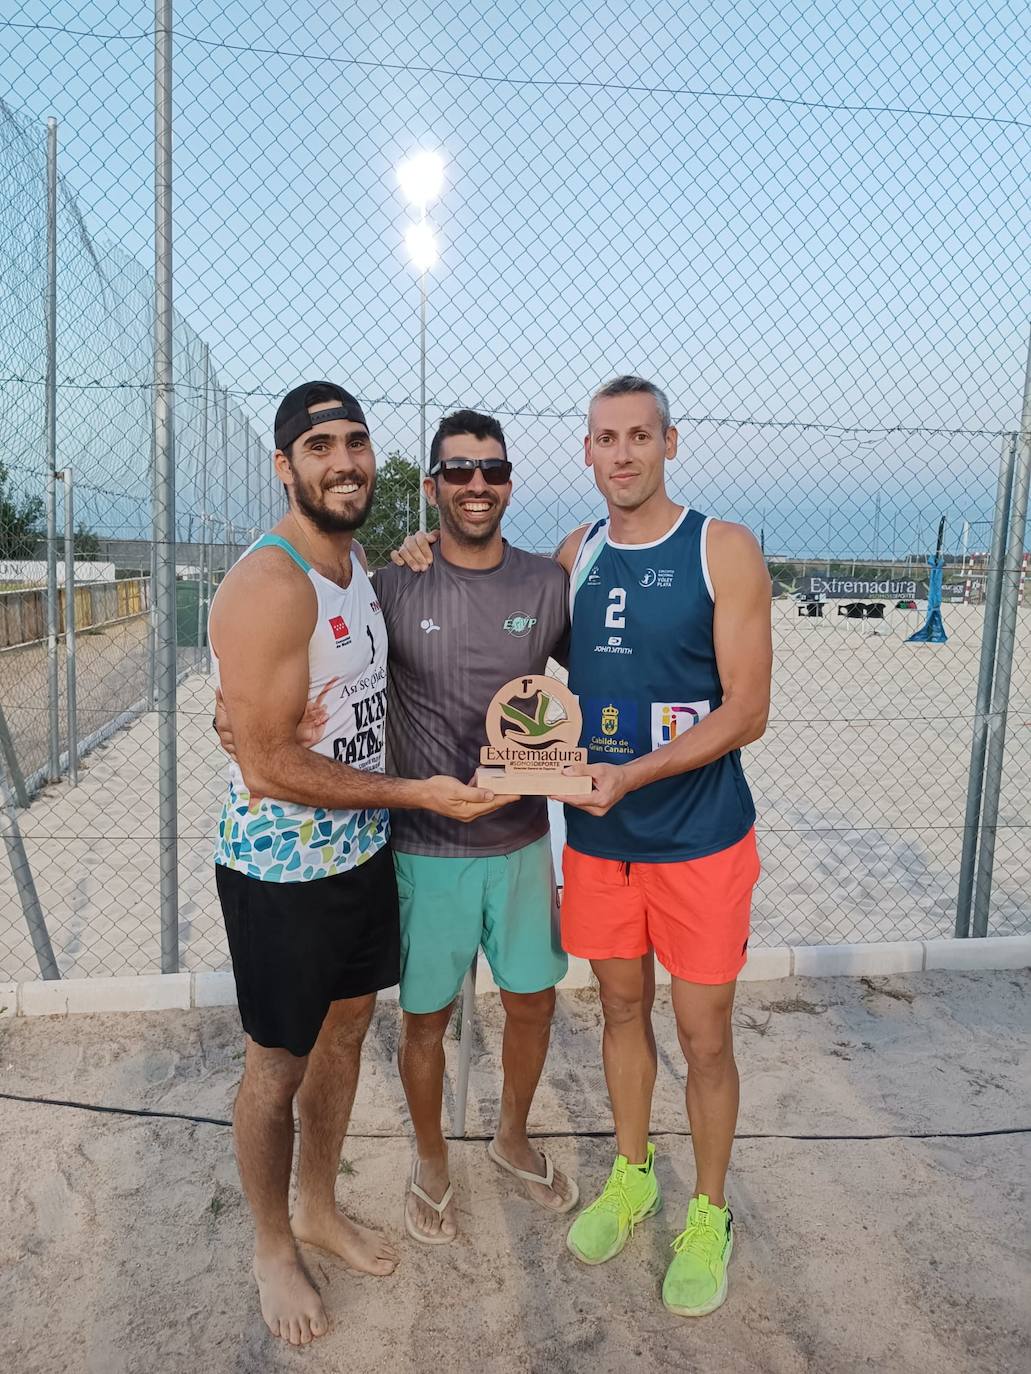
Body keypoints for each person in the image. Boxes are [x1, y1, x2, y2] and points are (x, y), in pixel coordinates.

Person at [393, 375, 771, 1318]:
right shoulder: (577, 555)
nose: (623, 454)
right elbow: (536, 680)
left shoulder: (722, 547)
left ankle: (711, 1212)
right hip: (601, 844)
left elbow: (748, 710)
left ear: (669, 443)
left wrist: (633, 775)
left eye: (640, 436)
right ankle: (634, 1174)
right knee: (620, 1012)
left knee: (704, 1035)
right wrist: (418, 551)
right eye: (605, 438)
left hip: (701, 838)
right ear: (587, 452)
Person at [208, 382, 507, 1347]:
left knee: (343, 1042)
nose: (344, 462)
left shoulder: (360, 562)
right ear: (284, 464)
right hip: (281, 870)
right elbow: (265, 761)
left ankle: (318, 1208)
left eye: (357, 442)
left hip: (358, 854)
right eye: (320, 445)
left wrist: (414, 555)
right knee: (275, 1065)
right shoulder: (268, 582)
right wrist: (415, 793)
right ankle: (268, 1245)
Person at [376, 409, 578, 1244]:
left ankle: (511, 1137)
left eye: (490, 470)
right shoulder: (392, 584)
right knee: (424, 1021)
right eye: (457, 472)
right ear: (432, 487)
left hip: (523, 843)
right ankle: (431, 1160)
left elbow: (591, 691)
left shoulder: (543, 585)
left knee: (532, 1005)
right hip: (426, 852)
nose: (475, 485)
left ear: (507, 481)